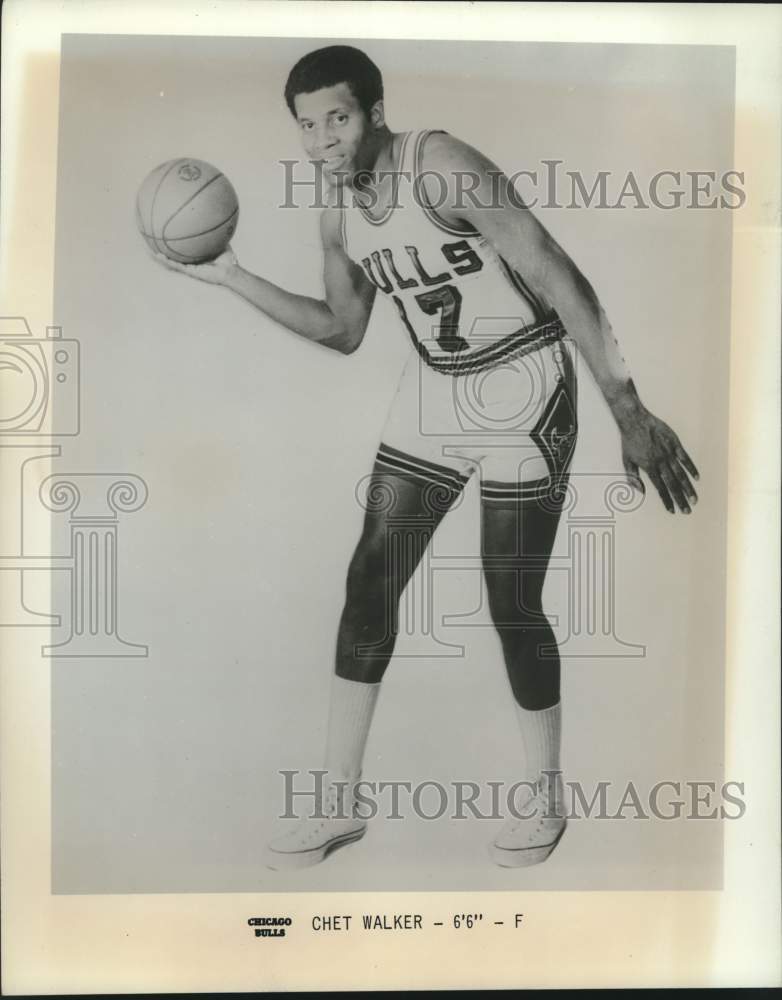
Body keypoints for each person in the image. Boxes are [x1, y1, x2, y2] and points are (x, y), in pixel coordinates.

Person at [151, 45, 699, 870]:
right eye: (308, 126)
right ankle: (340, 801)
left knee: (511, 598)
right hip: (437, 390)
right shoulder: (337, 212)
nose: (323, 141)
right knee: (370, 577)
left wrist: (627, 407)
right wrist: (232, 276)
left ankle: (545, 793)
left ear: (375, 112)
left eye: (338, 119)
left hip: (525, 380)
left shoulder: (440, 167)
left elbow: (558, 274)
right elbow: (342, 330)